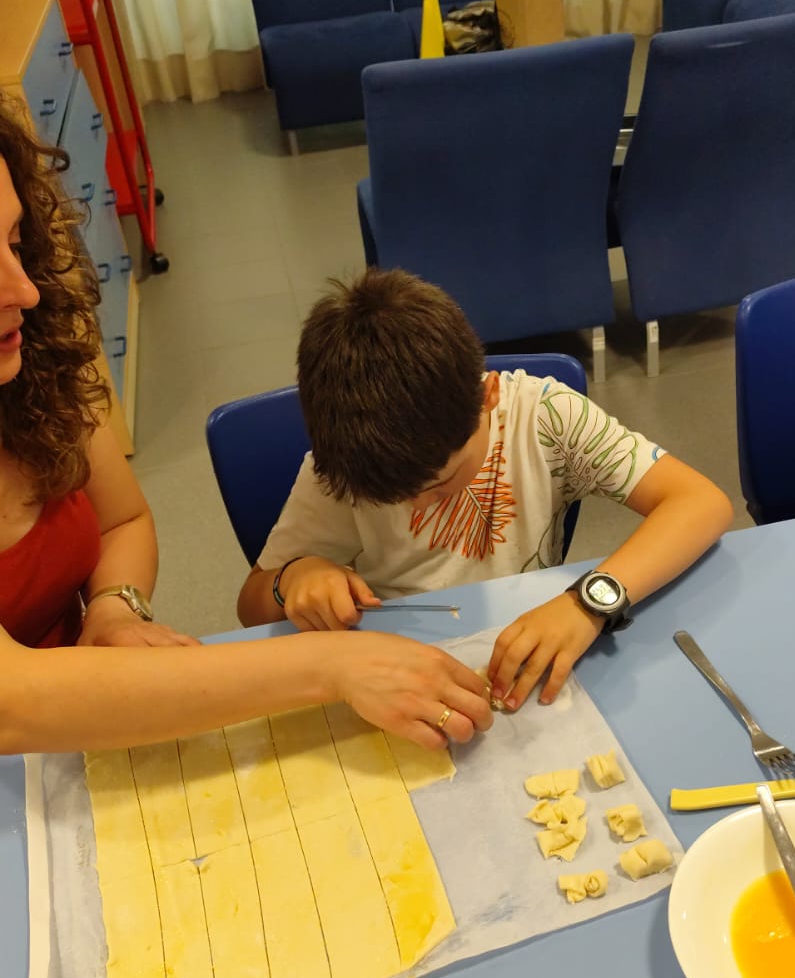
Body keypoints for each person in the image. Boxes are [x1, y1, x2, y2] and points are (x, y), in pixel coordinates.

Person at [0, 102, 491, 755]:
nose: (25, 291)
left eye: (11, 242)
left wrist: (116, 608)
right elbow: (17, 703)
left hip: (84, 721)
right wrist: (335, 665)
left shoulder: (33, 369)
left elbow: (121, 521)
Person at [238, 269, 734, 708]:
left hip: (529, 642)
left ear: (487, 397)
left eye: (442, 483)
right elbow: (251, 605)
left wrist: (587, 604)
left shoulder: (545, 417)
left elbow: (700, 503)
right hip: (395, 666)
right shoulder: (343, 468)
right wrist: (296, 577)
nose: (418, 505)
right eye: (391, 498)